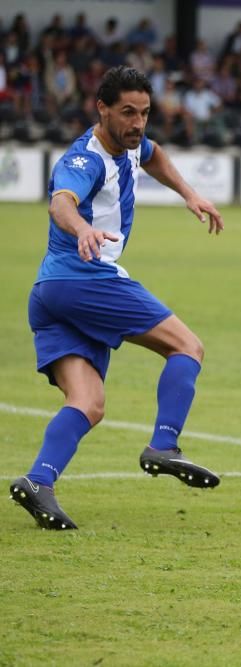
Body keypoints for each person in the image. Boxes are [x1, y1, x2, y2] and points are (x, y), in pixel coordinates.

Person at [9, 66, 225, 531]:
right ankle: (164, 444)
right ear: (101, 108)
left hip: (50, 293)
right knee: (187, 346)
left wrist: (190, 194)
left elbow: (153, 154)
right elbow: (61, 201)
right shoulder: (85, 160)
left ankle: (38, 481)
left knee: (88, 402)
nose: (138, 123)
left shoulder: (130, 144)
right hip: (84, 279)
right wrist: (84, 227)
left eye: (145, 112)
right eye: (127, 112)